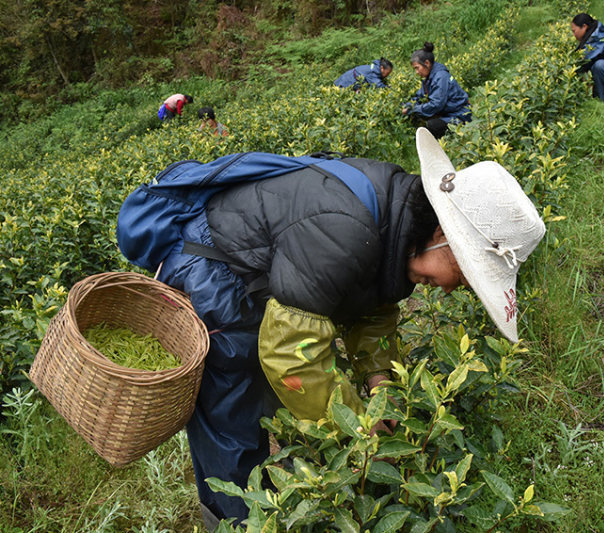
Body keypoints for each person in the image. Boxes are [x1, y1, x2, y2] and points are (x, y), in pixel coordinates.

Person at [121, 128, 546, 528]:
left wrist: (382, 383)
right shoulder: (344, 230)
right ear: (442, 235)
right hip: (214, 270)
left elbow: (372, 303)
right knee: (233, 413)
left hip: (267, 275)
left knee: (277, 401)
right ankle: (236, 522)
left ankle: (273, 498)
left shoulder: (397, 215)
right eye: (467, 273)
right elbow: (291, 357)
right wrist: (360, 428)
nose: (458, 288)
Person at [402, 42, 472, 139]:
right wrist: (408, 105)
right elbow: (419, 96)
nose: (417, 72)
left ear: (427, 63)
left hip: (460, 115)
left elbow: (436, 104)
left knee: (432, 126)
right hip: (448, 113)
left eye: (417, 68)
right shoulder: (429, 78)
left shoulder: (441, 77)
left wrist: (413, 109)